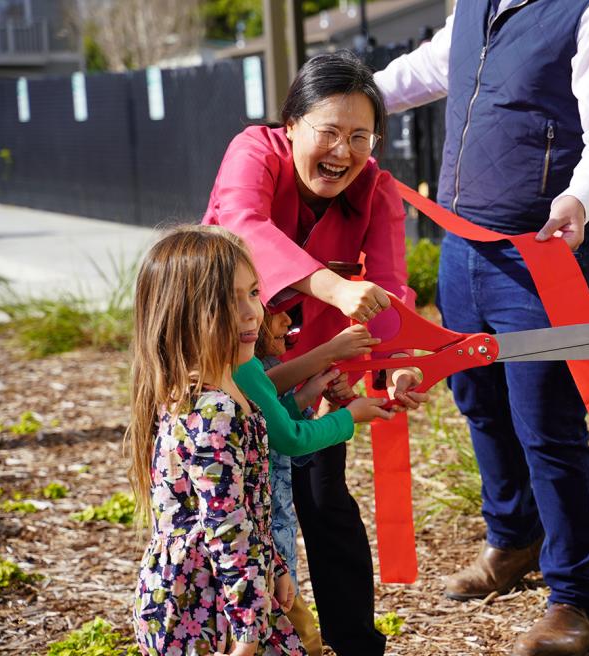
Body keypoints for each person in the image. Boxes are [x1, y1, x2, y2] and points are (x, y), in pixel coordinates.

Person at [374, 1, 589, 654]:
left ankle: (576, 601)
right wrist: (346, 96)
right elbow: (431, 66)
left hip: (549, 247)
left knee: (546, 417)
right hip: (463, 241)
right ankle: (514, 536)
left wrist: (581, 198)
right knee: (477, 396)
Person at [202, 50, 427, 656]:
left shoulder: (376, 188)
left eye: (360, 136)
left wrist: (399, 362)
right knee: (229, 507)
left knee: (324, 497)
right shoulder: (253, 151)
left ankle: (354, 644)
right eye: (328, 131)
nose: (343, 151)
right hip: (228, 359)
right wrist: (332, 285)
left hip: (317, 365)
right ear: (291, 124)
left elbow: (389, 286)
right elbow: (242, 225)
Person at [128, 225, 301, 656]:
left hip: (219, 591)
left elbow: (245, 506)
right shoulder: (213, 413)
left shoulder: (225, 393)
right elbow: (226, 527)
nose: (251, 313)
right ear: (185, 313)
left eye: (254, 292)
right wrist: (247, 629)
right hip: (201, 608)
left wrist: (275, 565)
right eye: (228, 300)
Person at [234, 312, 394, 656]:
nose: (285, 317)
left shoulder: (235, 366)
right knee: (299, 636)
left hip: (266, 536)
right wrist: (348, 417)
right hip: (262, 540)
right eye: (271, 305)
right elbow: (289, 439)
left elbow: (268, 423)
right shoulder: (244, 368)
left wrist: (307, 396)